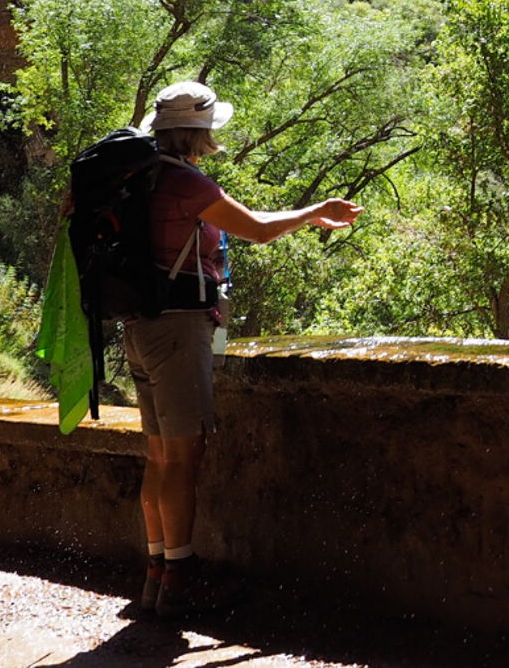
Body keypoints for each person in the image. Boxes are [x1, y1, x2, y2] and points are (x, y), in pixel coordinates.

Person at [124, 80, 360, 621]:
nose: (212, 137)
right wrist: (313, 212)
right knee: (185, 455)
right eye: (208, 129)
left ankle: (157, 577)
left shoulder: (138, 174)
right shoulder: (186, 183)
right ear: (196, 131)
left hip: (139, 326)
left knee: (160, 455)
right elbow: (254, 229)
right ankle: (179, 582)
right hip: (180, 329)